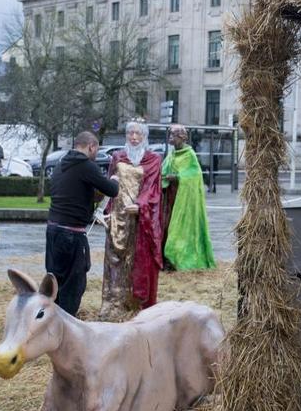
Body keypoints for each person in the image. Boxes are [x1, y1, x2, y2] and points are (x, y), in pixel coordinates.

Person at [46, 131, 118, 316]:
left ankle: (51, 321)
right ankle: (67, 327)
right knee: (74, 285)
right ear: (91, 147)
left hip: (53, 231)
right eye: (97, 149)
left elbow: (72, 193)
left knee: (56, 282)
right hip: (72, 234)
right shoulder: (86, 166)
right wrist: (115, 179)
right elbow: (112, 190)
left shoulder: (61, 164)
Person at [100, 120, 162, 320]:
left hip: (139, 218)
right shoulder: (118, 156)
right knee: (115, 260)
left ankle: (135, 303)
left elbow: (153, 187)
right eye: (130, 134)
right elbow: (110, 185)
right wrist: (106, 210)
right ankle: (114, 303)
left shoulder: (153, 160)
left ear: (145, 136)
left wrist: (142, 205)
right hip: (118, 216)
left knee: (136, 259)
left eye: (138, 134)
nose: (134, 138)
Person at [160, 124, 216, 271]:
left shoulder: (189, 154)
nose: (170, 138)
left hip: (183, 200)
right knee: (166, 227)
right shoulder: (172, 154)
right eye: (170, 135)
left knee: (179, 228)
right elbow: (163, 170)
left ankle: (177, 259)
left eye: (173, 135)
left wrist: (178, 177)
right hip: (170, 199)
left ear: (182, 137)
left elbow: (195, 175)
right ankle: (166, 259)